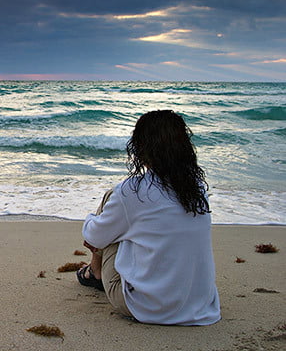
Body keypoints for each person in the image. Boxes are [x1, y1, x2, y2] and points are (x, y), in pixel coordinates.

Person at [77, 110, 220, 325]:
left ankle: (95, 271)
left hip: (146, 307)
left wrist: (90, 219)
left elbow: (94, 237)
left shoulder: (132, 191)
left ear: (141, 147)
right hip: (200, 306)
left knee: (111, 203)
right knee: (131, 223)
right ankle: (98, 266)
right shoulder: (196, 187)